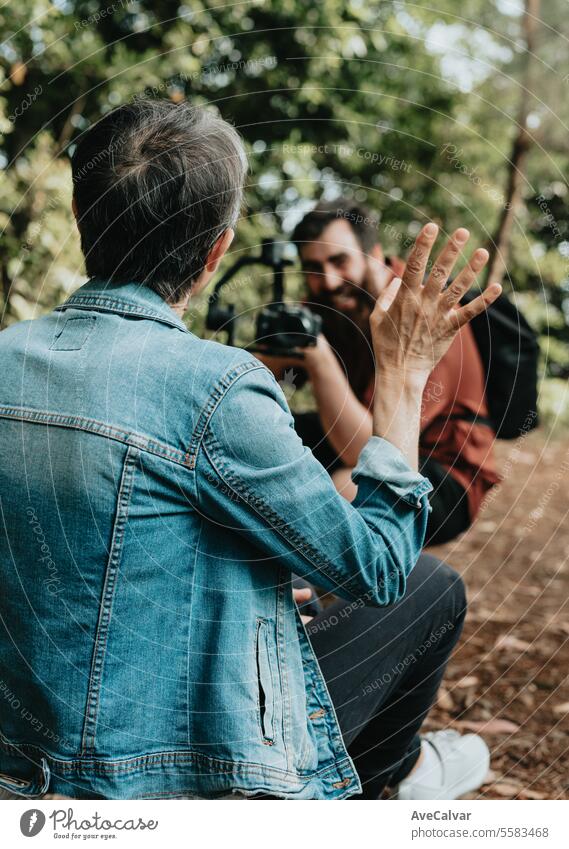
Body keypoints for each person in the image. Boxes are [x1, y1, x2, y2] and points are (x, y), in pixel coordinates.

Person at [0, 99, 500, 801]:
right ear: (216, 251)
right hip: (169, 785)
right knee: (429, 585)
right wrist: (403, 369)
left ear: (84, 219)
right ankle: (390, 782)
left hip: (24, 772)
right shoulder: (218, 385)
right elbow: (379, 565)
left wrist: (242, 592)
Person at [275, 200, 500, 547]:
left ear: (374, 254)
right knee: (270, 435)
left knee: (346, 489)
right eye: (314, 268)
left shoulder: (425, 314)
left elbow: (371, 453)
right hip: (365, 434)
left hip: (444, 471)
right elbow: (265, 372)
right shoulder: (331, 303)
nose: (329, 280)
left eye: (339, 260)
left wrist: (319, 359)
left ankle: (339, 597)